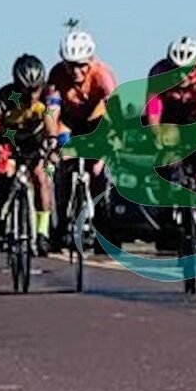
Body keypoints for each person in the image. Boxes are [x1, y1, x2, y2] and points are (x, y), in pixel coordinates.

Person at [144, 36, 196, 256]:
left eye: (188, 71)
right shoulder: (158, 73)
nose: (182, 76)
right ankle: (166, 212)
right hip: (172, 120)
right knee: (166, 164)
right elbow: (153, 109)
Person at [0, 54, 59, 256]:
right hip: (9, 139)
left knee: (42, 177)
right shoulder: (5, 97)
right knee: (4, 175)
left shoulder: (48, 95)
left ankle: (42, 232)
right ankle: (1, 216)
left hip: (35, 140)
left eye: (36, 89)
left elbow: (51, 119)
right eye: (27, 90)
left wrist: (52, 140)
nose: (32, 95)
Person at [46, 29, 117, 245]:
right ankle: (61, 222)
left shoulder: (103, 76)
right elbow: (51, 111)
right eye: (70, 65)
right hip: (69, 122)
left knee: (96, 174)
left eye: (81, 65)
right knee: (64, 165)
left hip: (97, 123)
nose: (75, 71)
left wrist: (103, 154)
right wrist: (51, 137)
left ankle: (103, 228)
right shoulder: (57, 74)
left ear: (91, 60)